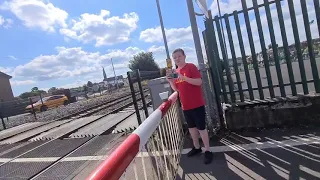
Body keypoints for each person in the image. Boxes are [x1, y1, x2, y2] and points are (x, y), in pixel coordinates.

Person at [166, 48, 213, 164]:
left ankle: (208, 150)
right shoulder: (176, 71)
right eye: (175, 57)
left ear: (184, 56)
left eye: (179, 56)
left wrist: (184, 77)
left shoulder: (190, 67)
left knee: (201, 128)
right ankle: (196, 147)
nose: (177, 59)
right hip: (186, 106)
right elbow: (177, 89)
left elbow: (199, 82)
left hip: (197, 104)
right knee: (191, 128)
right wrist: (170, 81)